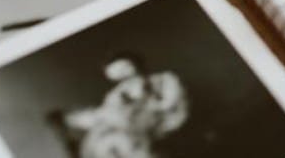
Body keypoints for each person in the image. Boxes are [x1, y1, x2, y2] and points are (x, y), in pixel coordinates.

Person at [51, 53, 189, 158]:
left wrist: (147, 105)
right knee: (107, 132)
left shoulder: (165, 80)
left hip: (154, 127)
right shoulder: (116, 94)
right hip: (128, 130)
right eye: (116, 71)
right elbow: (104, 114)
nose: (123, 72)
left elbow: (170, 104)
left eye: (125, 66)